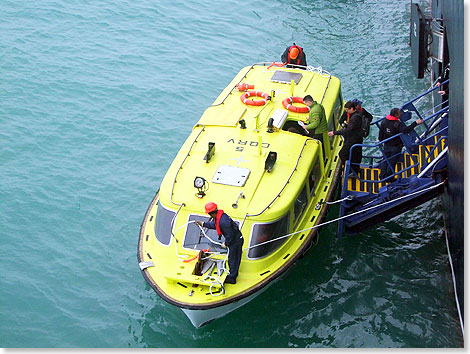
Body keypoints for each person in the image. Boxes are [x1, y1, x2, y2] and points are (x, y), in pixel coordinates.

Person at [195, 202, 244, 284]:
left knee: (233, 259)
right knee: (233, 258)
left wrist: (226, 243)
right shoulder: (220, 217)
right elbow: (215, 225)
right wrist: (203, 224)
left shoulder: (223, 222)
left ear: (211, 213)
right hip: (235, 239)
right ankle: (232, 275)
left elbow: (230, 235)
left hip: (236, 241)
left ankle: (232, 278)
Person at [378, 108, 424, 180]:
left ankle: (382, 175)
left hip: (386, 144)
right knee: (393, 161)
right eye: (399, 113)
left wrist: (380, 140)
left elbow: (381, 133)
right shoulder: (397, 124)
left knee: (385, 159)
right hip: (395, 146)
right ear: (396, 115)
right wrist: (415, 123)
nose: (401, 114)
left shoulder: (384, 121)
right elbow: (405, 130)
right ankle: (389, 178)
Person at [328, 101, 363, 176]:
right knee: (355, 154)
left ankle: (351, 170)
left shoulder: (355, 118)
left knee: (343, 154)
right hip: (356, 137)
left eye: (347, 110)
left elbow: (348, 130)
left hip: (353, 139)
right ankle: (355, 169)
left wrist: (335, 132)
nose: (346, 111)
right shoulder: (358, 114)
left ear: (352, 109)